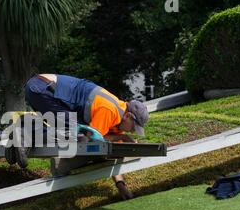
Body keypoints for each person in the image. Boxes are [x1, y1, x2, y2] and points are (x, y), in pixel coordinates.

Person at [17, 73, 149, 200]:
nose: (132, 132)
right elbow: (93, 140)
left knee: (77, 132)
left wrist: (120, 185)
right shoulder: (110, 110)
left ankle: (23, 135)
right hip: (43, 88)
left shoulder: (117, 118)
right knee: (79, 134)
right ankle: (27, 130)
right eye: (133, 127)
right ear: (128, 116)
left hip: (42, 88)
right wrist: (125, 139)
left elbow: (108, 148)